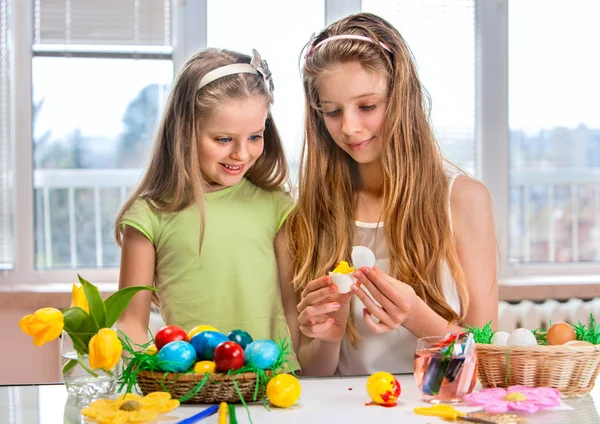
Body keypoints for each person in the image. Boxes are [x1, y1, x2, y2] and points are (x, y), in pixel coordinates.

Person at [282, 13, 498, 376]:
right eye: (332, 112)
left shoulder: (463, 200)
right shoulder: (305, 214)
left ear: (402, 99)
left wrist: (417, 317)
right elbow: (313, 373)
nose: (350, 127)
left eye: (367, 106)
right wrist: (328, 338)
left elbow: (486, 361)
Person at [114, 48, 299, 368]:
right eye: (224, 139)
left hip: (274, 388)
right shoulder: (149, 215)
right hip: (188, 387)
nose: (242, 154)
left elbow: (293, 311)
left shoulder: (277, 207)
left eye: (255, 136)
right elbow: (131, 322)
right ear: (184, 132)